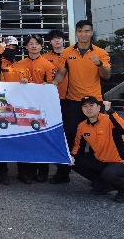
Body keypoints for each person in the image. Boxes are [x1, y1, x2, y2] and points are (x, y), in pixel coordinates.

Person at [52, 20, 112, 184]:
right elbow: (61, 74)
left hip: (95, 102)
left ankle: (97, 176)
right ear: (76, 33)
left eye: (87, 31)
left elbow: (107, 75)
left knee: (96, 140)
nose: (83, 34)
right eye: (80, 31)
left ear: (91, 33)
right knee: (69, 137)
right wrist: (53, 83)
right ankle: (63, 173)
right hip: (73, 102)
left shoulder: (100, 53)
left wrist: (100, 64)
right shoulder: (67, 53)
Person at [71, 97, 124, 203]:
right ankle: (104, 184)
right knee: (72, 161)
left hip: (122, 163)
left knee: (109, 174)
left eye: (91, 105)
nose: (88, 109)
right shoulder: (82, 126)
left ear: (99, 107)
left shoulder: (109, 120)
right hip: (101, 161)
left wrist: (110, 111)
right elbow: (78, 147)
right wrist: (72, 157)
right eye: (85, 106)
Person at [17, 34, 57, 183]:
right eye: (30, 43)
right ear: (26, 46)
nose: (34, 46)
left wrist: (46, 86)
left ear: (41, 46)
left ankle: (43, 171)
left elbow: (51, 86)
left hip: (41, 108)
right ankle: (24, 172)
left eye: (37, 43)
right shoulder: (19, 65)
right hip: (23, 107)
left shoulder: (48, 65)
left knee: (41, 139)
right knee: (24, 139)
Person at [0, 37, 33, 185]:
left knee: (21, 139)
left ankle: (23, 172)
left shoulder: (23, 65)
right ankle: (2, 173)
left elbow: (31, 85)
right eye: (8, 47)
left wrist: (26, 83)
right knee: (1, 141)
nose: (11, 50)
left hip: (20, 107)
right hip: (2, 107)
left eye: (14, 47)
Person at [43, 29, 72, 183]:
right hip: (52, 102)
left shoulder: (71, 55)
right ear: (50, 42)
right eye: (54, 39)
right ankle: (55, 170)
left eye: (60, 38)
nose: (57, 41)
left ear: (64, 40)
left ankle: (69, 169)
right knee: (52, 135)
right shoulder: (45, 58)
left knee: (71, 135)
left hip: (72, 100)